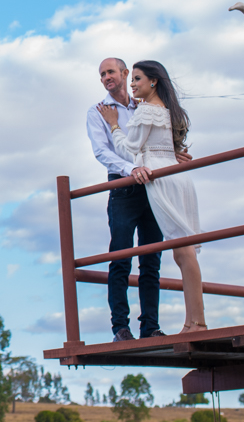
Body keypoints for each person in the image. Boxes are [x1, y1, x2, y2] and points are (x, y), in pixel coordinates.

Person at [97, 60, 206, 334]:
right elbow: (157, 147)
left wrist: (114, 125)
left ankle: (196, 323)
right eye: (132, 79)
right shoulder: (167, 109)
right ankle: (192, 322)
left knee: (181, 251)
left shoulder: (145, 109)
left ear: (153, 81)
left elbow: (129, 149)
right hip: (175, 176)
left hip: (160, 180)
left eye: (137, 78)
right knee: (183, 250)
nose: (133, 84)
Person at [87, 58, 164, 341]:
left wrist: (172, 154)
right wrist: (130, 169)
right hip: (123, 187)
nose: (106, 77)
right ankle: (120, 327)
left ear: (125, 73)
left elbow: (152, 144)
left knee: (151, 260)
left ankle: (150, 327)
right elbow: (101, 151)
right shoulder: (98, 111)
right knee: (120, 257)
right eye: (102, 74)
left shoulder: (144, 106)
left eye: (110, 72)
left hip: (152, 185)